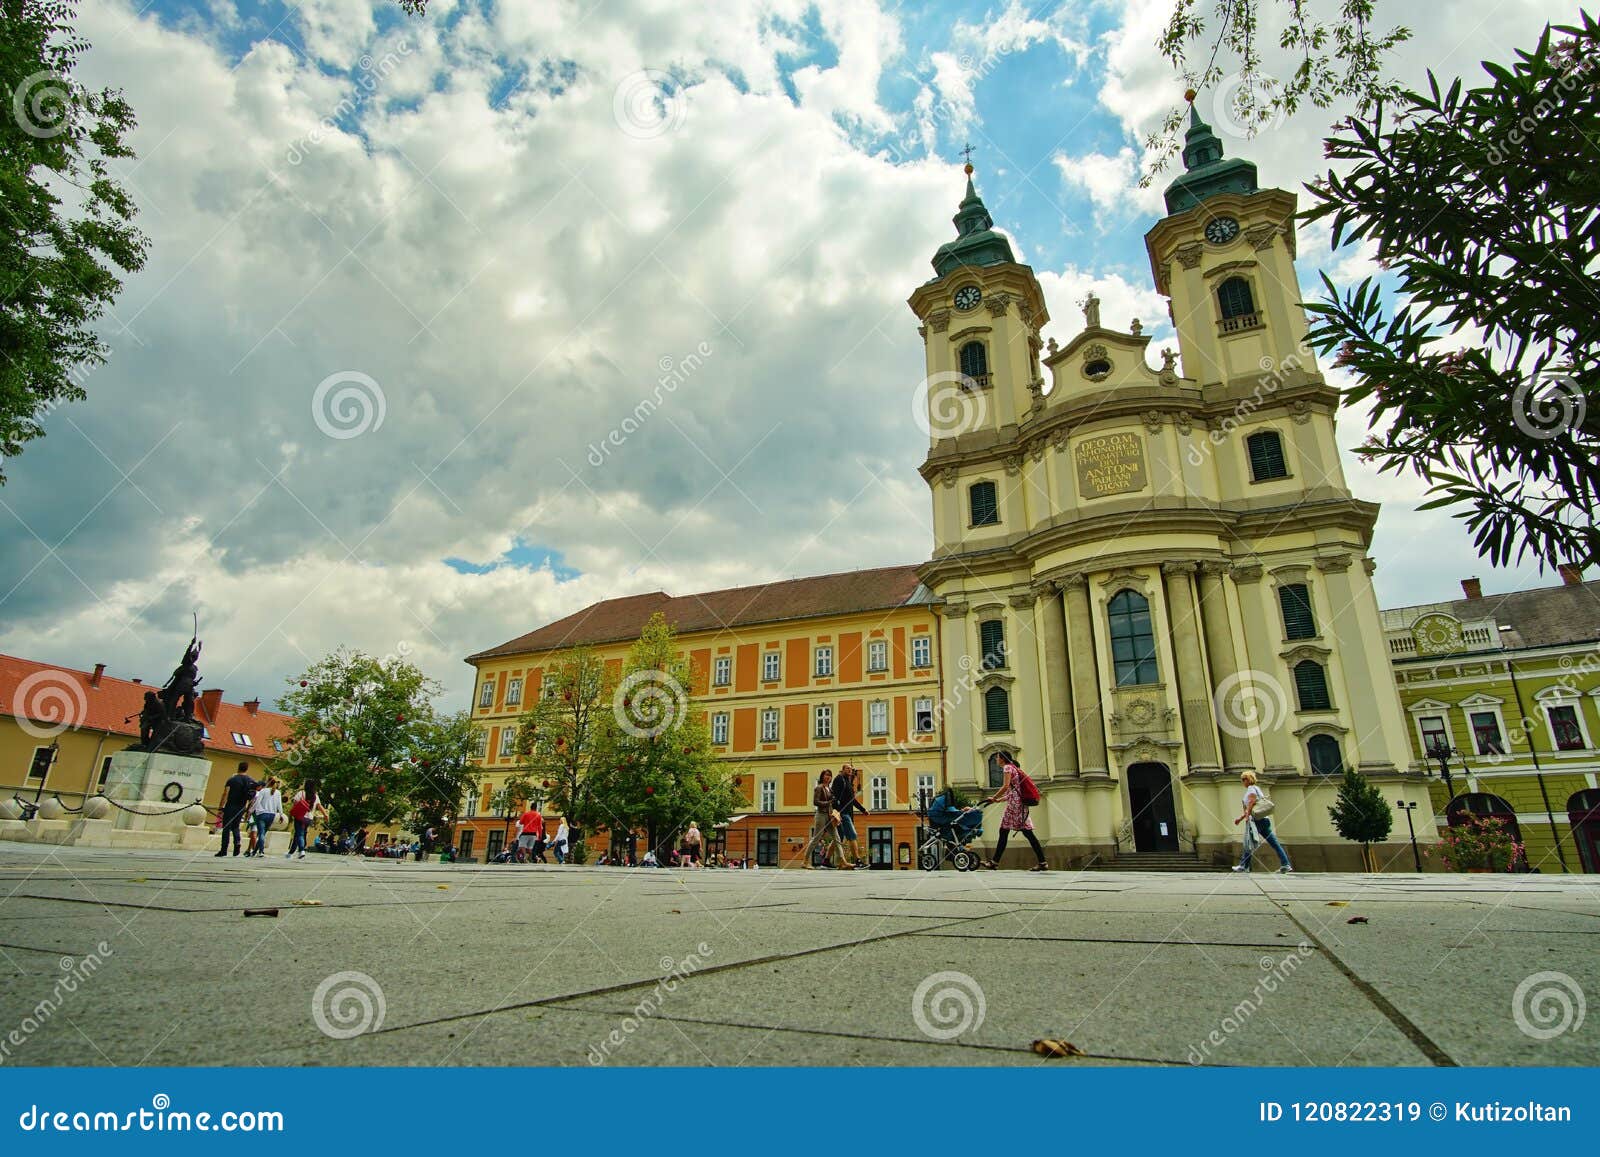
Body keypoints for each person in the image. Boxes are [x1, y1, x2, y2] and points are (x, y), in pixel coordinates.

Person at [980, 756, 1047, 871]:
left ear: (1002, 758)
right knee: (1020, 833)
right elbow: (1013, 792)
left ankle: (994, 862)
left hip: (1015, 806)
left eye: (997, 758)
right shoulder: (1015, 768)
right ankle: (1042, 862)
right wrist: (997, 800)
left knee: (1008, 831)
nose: (996, 760)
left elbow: (1005, 786)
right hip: (1019, 804)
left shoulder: (1007, 767)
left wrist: (994, 797)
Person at [1233, 771, 1292, 873]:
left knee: (1249, 842)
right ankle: (1285, 864)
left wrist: (1246, 817)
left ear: (1248, 779)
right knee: (1274, 843)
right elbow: (1254, 806)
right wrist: (1240, 818)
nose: (1243, 782)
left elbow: (1251, 803)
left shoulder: (1251, 789)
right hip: (1264, 819)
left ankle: (1243, 866)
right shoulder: (1257, 788)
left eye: (1244, 779)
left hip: (1256, 820)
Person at [798, 769, 847, 869]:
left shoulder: (829, 788)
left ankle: (843, 862)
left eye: (830, 775)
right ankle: (805, 861)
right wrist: (828, 803)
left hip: (829, 815)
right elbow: (815, 802)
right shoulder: (819, 788)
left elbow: (831, 801)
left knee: (837, 838)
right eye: (826, 775)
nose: (828, 777)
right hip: (821, 815)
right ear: (822, 776)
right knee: (816, 839)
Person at [215, 762, 257, 858]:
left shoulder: (232, 779)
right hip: (241, 806)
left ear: (238, 768)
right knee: (235, 826)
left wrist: (221, 807)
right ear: (246, 769)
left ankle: (224, 849)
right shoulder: (250, 781)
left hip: (230, 806)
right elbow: (253, 797)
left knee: (226, 828)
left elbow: (225, 793)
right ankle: (237, 842)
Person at [831, 765, 869, 868]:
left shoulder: (848, 783)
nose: (850, 770)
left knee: (838, 837)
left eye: (851, 769)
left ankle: (826, 860)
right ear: (843, 770)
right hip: (842, 813)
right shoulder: (839, 779)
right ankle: (858, 860)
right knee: (852, 836)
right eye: (847, 768)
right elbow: (834, 795)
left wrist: (863, 810)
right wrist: (836, 811)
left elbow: (852, 800)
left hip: (845, 813)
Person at [286, 779, 326, 860]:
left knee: (299, 834)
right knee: (299, 834)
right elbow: (319, 806)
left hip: (300, 816)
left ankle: (301, 850)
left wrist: (292, 813)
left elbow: (295, 803)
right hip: (309, 819)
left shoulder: (301, 793)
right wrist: (325, 814)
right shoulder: (315, 796)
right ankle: (290, 853)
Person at [248, 776, 281, 858]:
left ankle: (261, 851)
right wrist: (281, 814)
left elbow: (257, 802)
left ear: (268, 782)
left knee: (261, 833)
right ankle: (255, 851)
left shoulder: (263, 791)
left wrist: (251, 810)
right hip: (272, 815)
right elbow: (279, 805)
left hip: (262, 814)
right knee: (263, 833)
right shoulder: (278, 792)